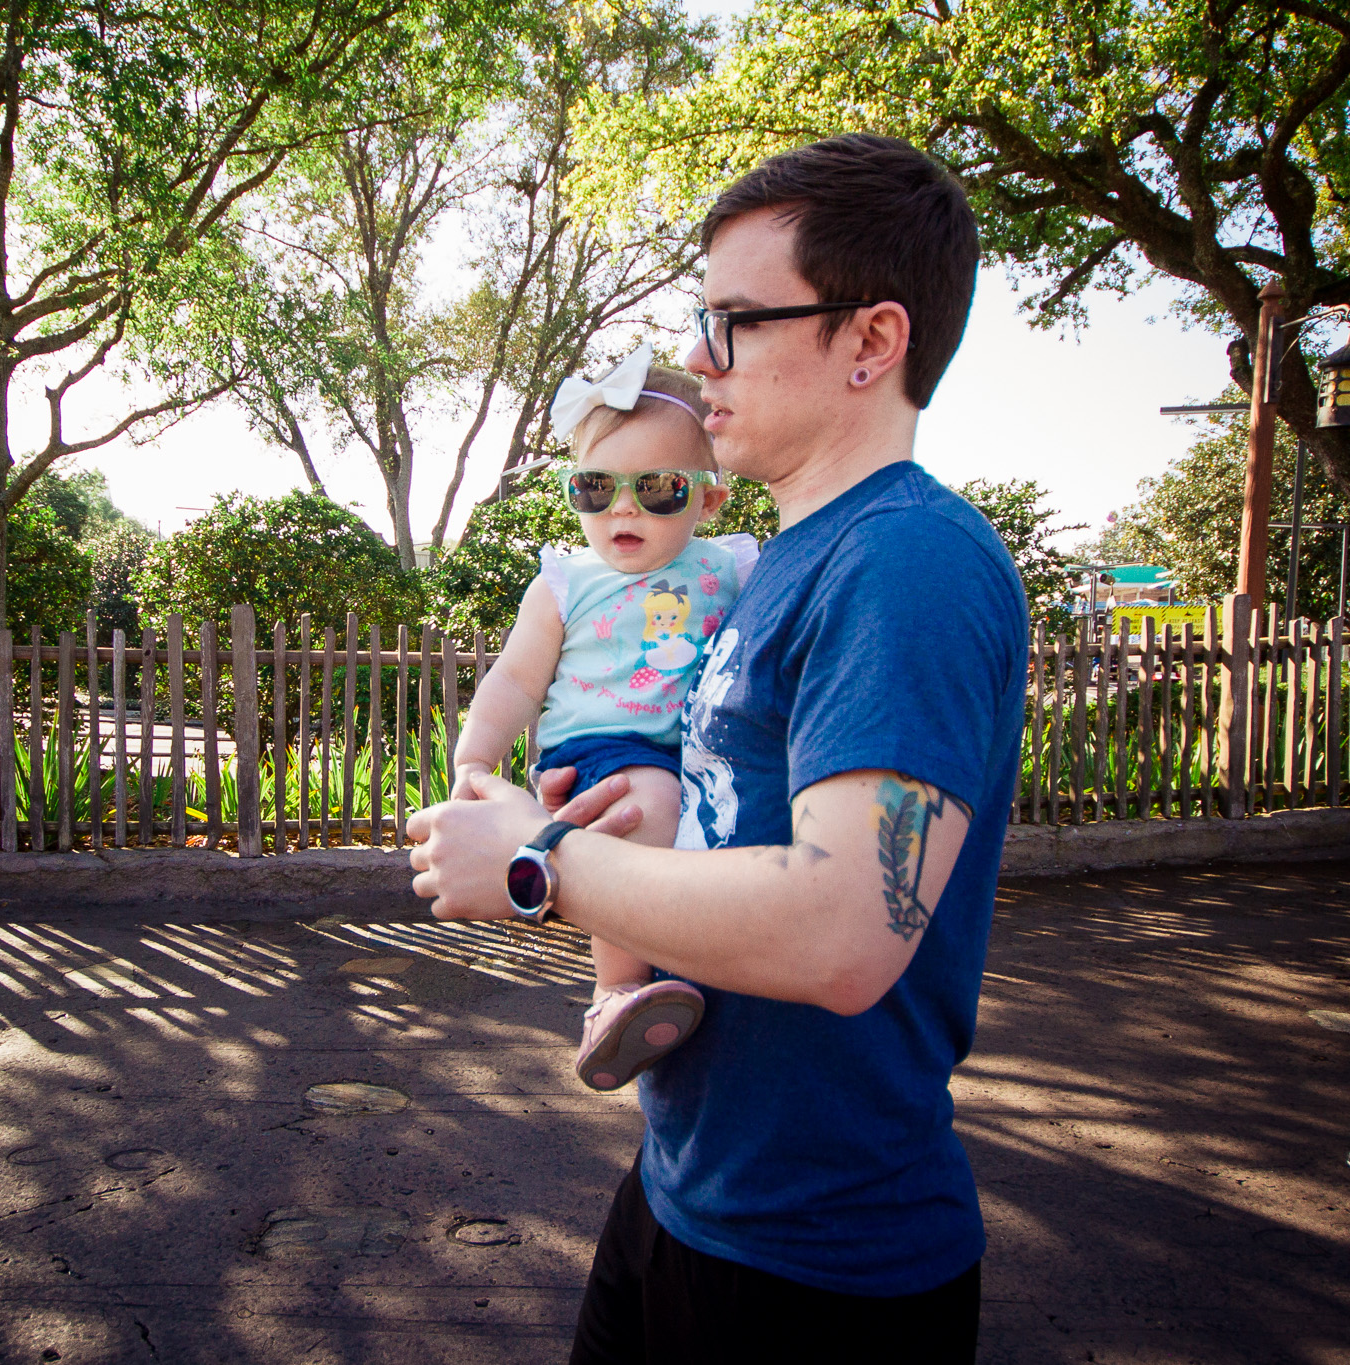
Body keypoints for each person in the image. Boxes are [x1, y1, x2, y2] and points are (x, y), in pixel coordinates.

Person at [406, 132, 1025, 1362]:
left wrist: (539, 868)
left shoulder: (903, 561)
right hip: (690, 1189)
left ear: (869, 341)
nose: (696, 359)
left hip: (818, 1271)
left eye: (734, 321)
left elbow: (847, 929)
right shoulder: (777, 564)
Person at [449, 347, 755, 1091]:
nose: (624, 507)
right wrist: (473, 763)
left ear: (708, 501)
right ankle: (612, 992)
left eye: (657, 488)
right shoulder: (564, 582)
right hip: (601, 746)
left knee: (683, 824)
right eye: (596, 486)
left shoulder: (731, 568)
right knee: (647, 810)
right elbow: (517, 680)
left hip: (690, 747)